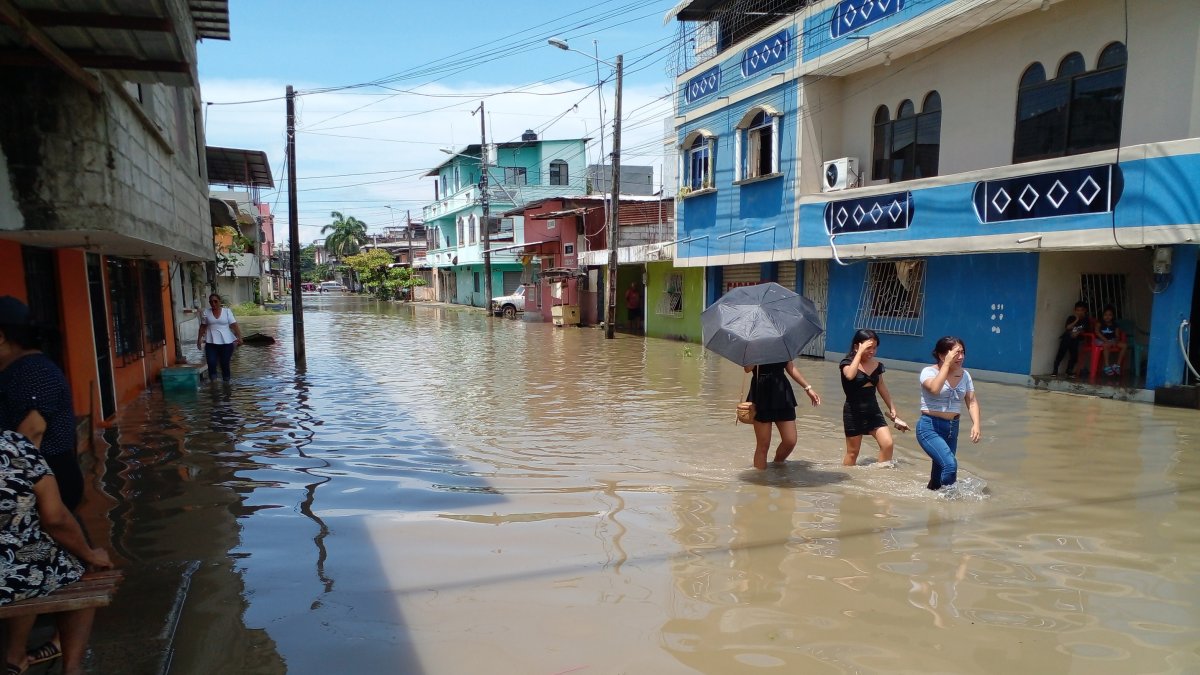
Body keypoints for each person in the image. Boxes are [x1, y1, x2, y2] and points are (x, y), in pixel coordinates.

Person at [0, 429, 113, 675]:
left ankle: (15, 656)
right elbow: (55, 518)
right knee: (79, 568)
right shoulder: (15, 446)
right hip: (15, 575)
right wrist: (89, 554)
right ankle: (72, 668)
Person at [0, 297, 85, 512]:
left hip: (45, 484)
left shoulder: (32, 371)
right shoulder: (19, 369)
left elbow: (32, 432)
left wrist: (11, 487)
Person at [917, 337, 981, 491]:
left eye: (962, 352)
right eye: (956, 353)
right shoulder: (928, 372)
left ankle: (931, 500)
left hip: (952, 429)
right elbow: (934, 389)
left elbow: (972, 401)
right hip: (929, 427)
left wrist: (976, 424)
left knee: (938, 477)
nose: (961, 357)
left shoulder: (965, 375)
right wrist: (946, 364)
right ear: (941, 355)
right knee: (950, 466)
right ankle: (949, 501)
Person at [839, 330, 907, 467]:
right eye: (868, 347)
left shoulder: (877, 365)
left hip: (873, 412)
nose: (872, 351)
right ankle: (846, 478)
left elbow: (882, 387)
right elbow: (850, 376)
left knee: (887, 444)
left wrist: (892, 409)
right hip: (853, 412)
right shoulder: (846, 363)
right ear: (856, 346)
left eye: (875, 348)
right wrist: (859, 353)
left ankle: (880, 475)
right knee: (852, 453)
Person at [744, 360, 821, 470]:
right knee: (763, 445)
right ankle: (760, 479)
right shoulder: (754, 349)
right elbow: (747, 369)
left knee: (790, 440)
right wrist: (757, 354)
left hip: (782, 391)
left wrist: (808, 388)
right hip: (761, 391)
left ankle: (777, 465)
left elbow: (790, 367)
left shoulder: (781, 348)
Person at [196, 293, 243, 383]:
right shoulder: (206, 312)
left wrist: (239, 337)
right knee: (211, 362)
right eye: (211, 302)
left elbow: (234, 325)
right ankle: (213, 383)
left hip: (226, 343)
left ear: (219, 301)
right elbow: (202, 327)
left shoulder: (227, 311)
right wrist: (198, 340)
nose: (213, 304)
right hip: (211, 343)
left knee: (224, 363)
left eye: (215, 301)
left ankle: (226, 382)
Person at [1051, 301, 1091, 377]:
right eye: (1077, 310)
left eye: (1081, 310)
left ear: (1085, 311)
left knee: (1074, 353)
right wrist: (1076, 320)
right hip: (1068, 337)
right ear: (1075, 311)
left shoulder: (1086, 320)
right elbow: (1068, 327)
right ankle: (1055, 369)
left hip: (1077, 339)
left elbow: (1085, 330)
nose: (1079, 312)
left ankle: (1069, 370)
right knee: (1062, 350)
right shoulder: (1071, 318)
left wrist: (1077, 333)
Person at [1093, 304, 1127, 377]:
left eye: (1110, 315)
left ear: (1113, 316)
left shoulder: (1115, 325)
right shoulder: (1099, 323)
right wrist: (1106, 340)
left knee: (1124, 345)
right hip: (1099, 340)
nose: (1107, 317)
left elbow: (1117, 336)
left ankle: (1117, 365)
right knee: (1106, 344)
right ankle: (1106, 366)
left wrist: (1115, 341)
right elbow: (1097, 332)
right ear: (1103, 315)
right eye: (1105, 315)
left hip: (1111, 340)